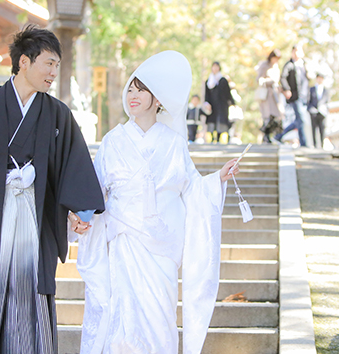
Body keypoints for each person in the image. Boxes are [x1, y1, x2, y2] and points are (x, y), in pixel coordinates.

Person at [0, 25, 105, 354]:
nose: (54, 72)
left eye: (57, 65)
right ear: (24, 62)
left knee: (31, 298)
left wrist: (80, 211)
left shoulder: (58, 115)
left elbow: (72, 166)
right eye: (49, 63)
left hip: (34, 218)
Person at [75, 50, 241, 354]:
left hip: (161, 246)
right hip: (123, 241)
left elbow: (191, 190)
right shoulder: (113, 141)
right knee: (122, 320)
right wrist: (82, 217)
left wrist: (217, 178)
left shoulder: (175, 143)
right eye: (130, 89)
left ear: (158, 98)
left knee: (160, 318)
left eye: (141, 89)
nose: (132, 95)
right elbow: (96, 190)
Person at [275, 45, 309, 147]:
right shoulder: (289, 65)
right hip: (296, 96)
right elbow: (283, 78)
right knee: (301, 119)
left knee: (299, 120)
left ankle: (279, 135)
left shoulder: (304, 65)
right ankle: (304, 143)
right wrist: (287, 90)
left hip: (305, 96)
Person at [255, 49, 284, 143]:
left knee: (276, 115)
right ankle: (266, 136)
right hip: (266, 94)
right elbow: (259, 78)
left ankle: (272, 135)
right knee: (267, 115)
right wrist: (269, 80)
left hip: (275, 93)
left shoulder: (276, 66)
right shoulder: (264, 65)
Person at [203, 61, 234, 143]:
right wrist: (207, 103)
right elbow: (206, 94)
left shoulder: (223, 80)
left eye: (217, 67)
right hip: (212, 105)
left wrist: (232, 103)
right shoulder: (208, 82)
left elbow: (228, 93)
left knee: (221, 122)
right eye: (214, 67)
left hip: (222, 105)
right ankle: (213, 139)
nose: (215, 68)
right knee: (212, 122)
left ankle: (221, 139)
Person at [307, 73, 330, 149]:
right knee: (313, 128)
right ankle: (314, 144)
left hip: (322, 112)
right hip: (313, 111)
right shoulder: (312, 89)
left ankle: (322, 144)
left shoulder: (326, 90)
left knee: (322, 128)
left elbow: (327, 101)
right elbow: (308, 100)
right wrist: (310, 109)